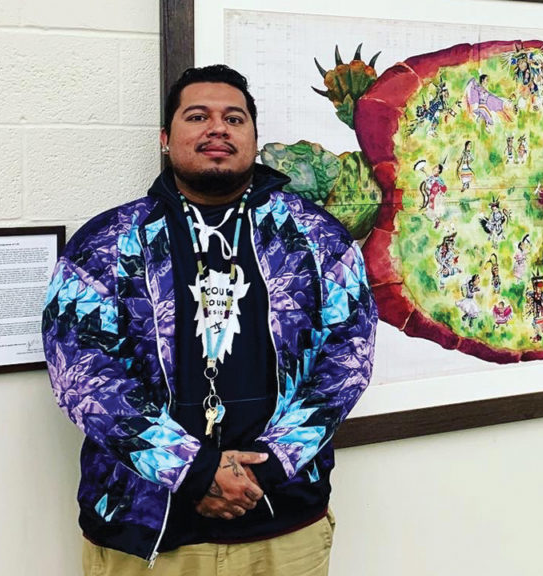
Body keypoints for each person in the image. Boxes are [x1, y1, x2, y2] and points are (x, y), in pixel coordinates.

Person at [42, 64, 378, 575]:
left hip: (283, 525)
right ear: (165, 137)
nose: (217, 128)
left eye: (234, 119)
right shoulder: (106, 243)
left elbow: (346, 361)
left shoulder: (318, 237)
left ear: (254, 138)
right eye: (197, 116)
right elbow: (82, 374)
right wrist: (194, 471)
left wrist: (270, 467)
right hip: (145, 531)